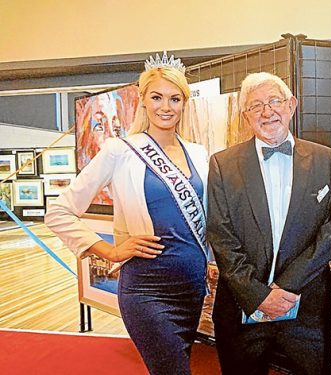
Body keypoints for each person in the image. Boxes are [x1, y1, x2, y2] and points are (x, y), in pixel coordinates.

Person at [45, 52, 210, 375]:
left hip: (191, 288)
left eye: (175, 99)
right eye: (157, 97)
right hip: (146, 290)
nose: (166, 107)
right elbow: (59, 212)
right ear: (142, 100)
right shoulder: (120, 150)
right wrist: (110, 250)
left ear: (184, 103)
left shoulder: (199, 153)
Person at [207, 72, 331, 375]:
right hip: (243, 308)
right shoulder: (222, 165)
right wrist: (259, 296)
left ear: (291, 105)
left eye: (274, 101)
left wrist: (286, 287)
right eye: (256, 106)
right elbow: (221, 236)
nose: (267, 112)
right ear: (245, 116)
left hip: (306, 307)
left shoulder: (326, 160)